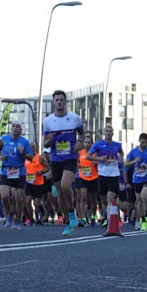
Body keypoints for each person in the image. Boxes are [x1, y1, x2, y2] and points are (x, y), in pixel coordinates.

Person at [42, 89, 84, 236]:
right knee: (60, 192)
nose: (59, 102)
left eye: (61, 100)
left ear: (65, 102)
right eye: (57, 100)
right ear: (53, 102)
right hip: (56, 159)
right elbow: (45, 144)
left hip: (70, 157)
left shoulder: (74, 118)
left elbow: (83, 134)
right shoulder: (47, 121)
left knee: (66, 186)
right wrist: (49, 140)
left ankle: (72, 212)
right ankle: (68, 221)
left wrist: (79, 143)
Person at [0, 121, 31, 230]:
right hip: (6, 171)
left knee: (19, 199)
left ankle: (18, 220)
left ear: (21, 130)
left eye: (17, 126)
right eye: (13, 126)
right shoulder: (4, 139)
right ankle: (10, 214)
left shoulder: (24, 142)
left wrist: (23, 153)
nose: (15, 128)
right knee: (4, 196)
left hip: (19, 171)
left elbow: (31, 158)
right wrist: (0, 156)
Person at [86, 125, 124, 229]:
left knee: (110, 198)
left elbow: (121, 152)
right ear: (104, 132)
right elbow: (88, 156)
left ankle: (108, 221)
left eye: (110, 131)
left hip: (114, 174)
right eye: (106, 131)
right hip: (102, 174)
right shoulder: (98, 144)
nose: (108, 133)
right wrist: (100, 158)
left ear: (113, 133)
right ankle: (105, 216)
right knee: (103, 200)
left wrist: (121, 158)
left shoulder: (117, 144)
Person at [125, 133, 147, 230]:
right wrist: (134, 161)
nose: (144, 144)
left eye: (145, 143)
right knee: (139, 201)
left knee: (144, 197)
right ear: (139, 141)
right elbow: (125, 163)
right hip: (136, 180)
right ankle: (141, 220)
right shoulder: (134, 151)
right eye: (142, 142)